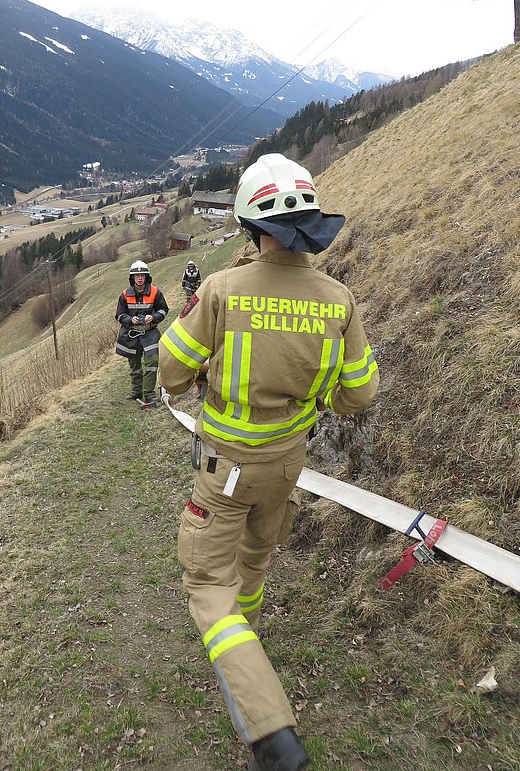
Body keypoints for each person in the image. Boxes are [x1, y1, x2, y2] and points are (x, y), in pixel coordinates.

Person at [158, 153, 379, 771]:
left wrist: (197, 375)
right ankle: (249, 646)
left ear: (253, 229)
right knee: (256, 555)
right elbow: (360, 394)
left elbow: (172, 370)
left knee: (207, 585)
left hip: (224, 468)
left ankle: (272, 733)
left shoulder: (224, 290)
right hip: (288, 464)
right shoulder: (339, 301)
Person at [115, 259, 169, 407]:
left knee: (152, 362)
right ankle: (136, 391)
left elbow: (164, 309)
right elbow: (119, 315)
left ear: (146, 277)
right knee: (134, 364)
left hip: (150, 333)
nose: (139, 278)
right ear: (132, 277)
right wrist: (129, 320)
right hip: (131, 334)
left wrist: (153, 317)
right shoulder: (125, 294)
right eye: (136, 275)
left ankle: (149, 393)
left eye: (142, 275)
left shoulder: (155, 292)